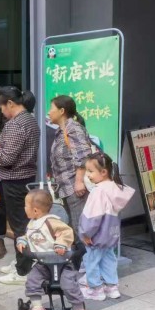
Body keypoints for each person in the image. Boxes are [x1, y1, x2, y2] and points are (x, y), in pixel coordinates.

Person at [0, 87, 39, 276]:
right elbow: (15, 150)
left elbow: (7, 159)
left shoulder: (16, 124)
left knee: (19, 225)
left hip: (14, 180)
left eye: (2, 107)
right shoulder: (29, 119)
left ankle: (23, 270)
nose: (2, 111)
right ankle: (21, 261)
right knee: (23, 222)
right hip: (24, 177)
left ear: (10, 103)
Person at [18, 189, 91, 310]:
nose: (24, 208)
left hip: (63, 263)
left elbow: (66, 232)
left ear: (35, 210)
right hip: (43, 263)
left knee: (69, 284)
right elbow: (29, 236)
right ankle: (37, 307)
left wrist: (61, 244)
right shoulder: (32, 223)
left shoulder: (51, 222)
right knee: (32, 280)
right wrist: (22, 241)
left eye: (26, 205)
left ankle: (79, 309)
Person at [79, 152, 135, 301]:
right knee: (109, 259)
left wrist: (85, 234)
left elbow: (92, 216)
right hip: (111, 233)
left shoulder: (98, 191)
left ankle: (95, 289)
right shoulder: (115, 188)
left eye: (90, 171)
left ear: (103, 172)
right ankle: (112, 287)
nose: (88, 175)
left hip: (96, 235)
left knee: (92, 261)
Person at [48, 95, 93, 228]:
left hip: (75, 188)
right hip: (67, 187)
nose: (49, 112)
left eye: (51, 109)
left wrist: (79, 182)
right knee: (74, 225)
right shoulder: (61, 130)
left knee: (80, 227)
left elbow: (83, 156)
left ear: (62, 111)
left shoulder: (73, 128)